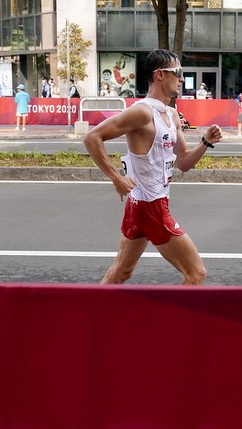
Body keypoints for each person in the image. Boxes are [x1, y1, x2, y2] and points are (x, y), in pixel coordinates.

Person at [83, 48, 223, 286]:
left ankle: (93, 318)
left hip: (140, 206)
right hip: (151, 207)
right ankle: (171, 324)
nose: (181, 78)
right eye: (176, 72)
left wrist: (206, 142)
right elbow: (92, 137)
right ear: (160, 75)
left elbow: (184, 162)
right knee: (196, 273)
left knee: (121, 272)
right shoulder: (141, 112)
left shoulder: (171, 114)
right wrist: (116, 178)